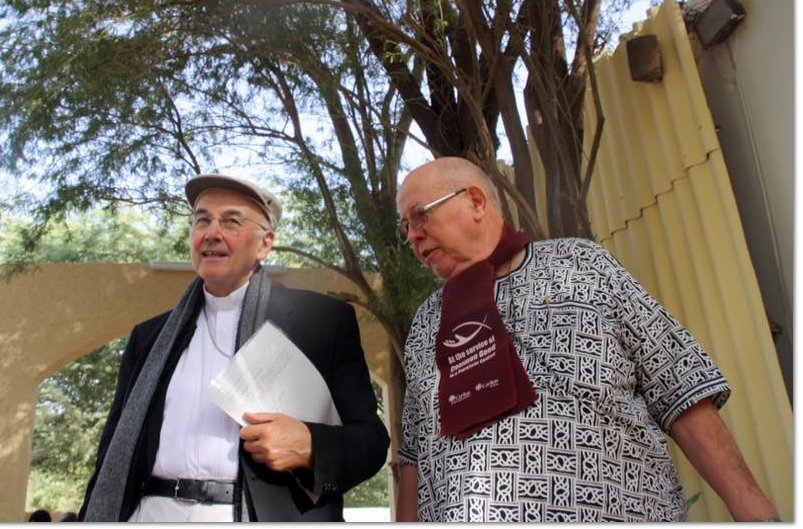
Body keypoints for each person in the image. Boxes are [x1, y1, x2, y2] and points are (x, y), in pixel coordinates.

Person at [394, 157, 779, 522]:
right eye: (405, 227)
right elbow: (415, 455)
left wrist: (760, 518)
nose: (412, 234)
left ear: (475, 201)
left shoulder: (580, 264)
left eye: (420, 215)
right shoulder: (428, 322)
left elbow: (679, 387)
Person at [79, 174, 389, 522]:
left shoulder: (320, 323)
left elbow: (371, 443)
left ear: (265, 243)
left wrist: (310, 446)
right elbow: (110, 456)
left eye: (231, 221)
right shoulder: (149, 338)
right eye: (202, 220)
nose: (212, 233)